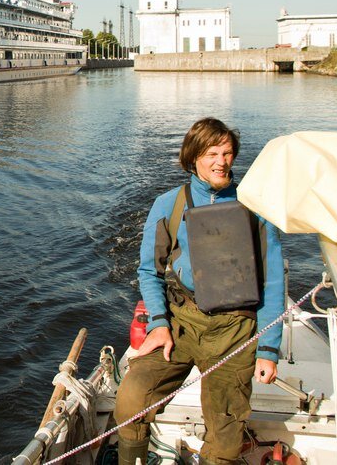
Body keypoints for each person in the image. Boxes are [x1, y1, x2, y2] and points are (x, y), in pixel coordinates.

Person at [114, 117, 285, 465]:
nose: (222, 161)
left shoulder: (254, 207)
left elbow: (273, 282)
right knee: (130, 400)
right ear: (194, 158)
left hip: (235, 329)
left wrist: (268, 348)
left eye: (227, 152)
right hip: (181, 323)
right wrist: (159, 323)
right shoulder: (168, 205)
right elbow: (149, 269)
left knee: (224, 439)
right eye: (212, 153)